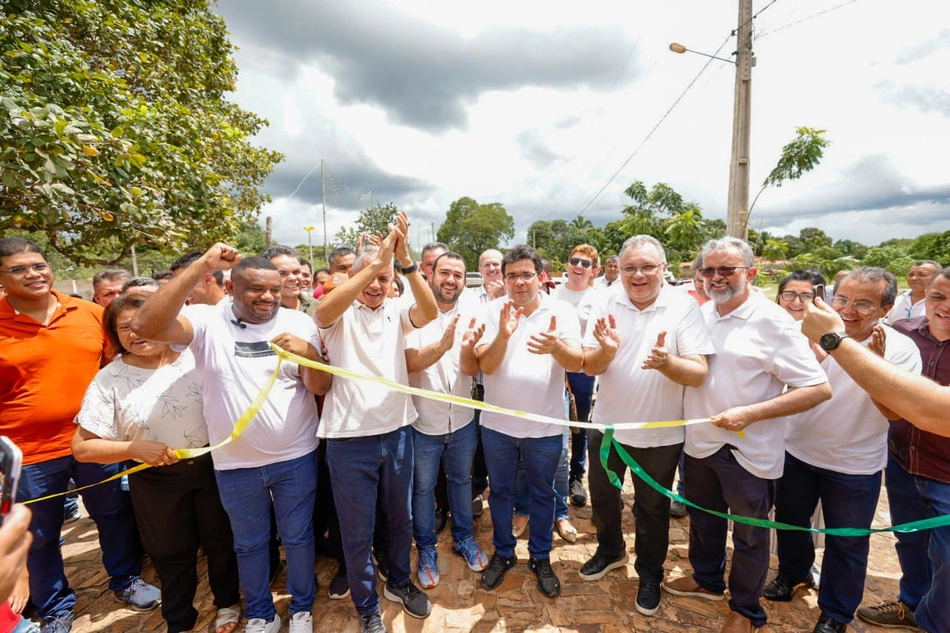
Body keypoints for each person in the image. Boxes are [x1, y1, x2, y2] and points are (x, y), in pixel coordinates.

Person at [131, 245, 330, 633]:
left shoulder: (299, 323)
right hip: (236, 464)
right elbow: (147, 326)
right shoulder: (205, 320)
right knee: (249, 544)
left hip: (296, 456)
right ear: (232, 287)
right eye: (257, 289)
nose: (269, 297)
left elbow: (320, 385)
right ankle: (260, 613)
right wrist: (201, 265)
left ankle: (302, 608)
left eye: (275, 289)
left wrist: (309, 354)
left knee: (299, 537)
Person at [661, 237, 832, 633]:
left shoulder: (773, 322)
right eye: (708, 270)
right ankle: (706, 580)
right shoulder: (701, 315)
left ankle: (746, 609)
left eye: (727, 270)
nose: (716, 278)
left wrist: (750, 414)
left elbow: (817, 388)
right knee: (704, 521)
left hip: (749, 452)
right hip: (700, 444)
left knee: (751, 536)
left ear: (750, 273)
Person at [0, 238, 161, 633]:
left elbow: (117, 366)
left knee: (112, 514)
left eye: (38, 265)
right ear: (1, 278)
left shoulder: (89, 313)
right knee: (39, 532)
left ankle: (125, 578)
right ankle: (55, 605)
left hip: (96, 441)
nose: (33, 274)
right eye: (19, 269)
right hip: (30, 451)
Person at [72, 295, 241, 633]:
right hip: (155, 481)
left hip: (213, 469)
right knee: (171, 553)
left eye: (144, 323)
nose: (136, 334)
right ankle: (179, 620)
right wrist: (133, 448)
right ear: (113, 335)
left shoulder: (195, 359)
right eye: (125, 328)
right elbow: (83, 448)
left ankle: (227, 604)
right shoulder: (109, 380)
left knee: (221, 540)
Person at [767, 268, 921, 633]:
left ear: (886, 309)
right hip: (796, 450)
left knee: (846, 543)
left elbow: (894, 413)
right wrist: (812, 352)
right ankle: (793, 574)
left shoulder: (900, 349)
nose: (849, 310)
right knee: (789, 524)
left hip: (854, 466)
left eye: (863, 303)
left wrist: (876, 369)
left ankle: (836, 612)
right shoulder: (808, 333)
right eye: (842, 299)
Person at [315, 212, 438, 633]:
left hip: (398, 432)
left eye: (384, 280)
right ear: (353, 274)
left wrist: (404, 262)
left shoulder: (397, 310)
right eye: (369, 277)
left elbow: (430, 310)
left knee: (399, 518)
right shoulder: (337, 313)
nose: (375, 286)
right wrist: (373, 262)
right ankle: (367, 606)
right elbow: (324, 310)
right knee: (356, 528)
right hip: (349, 440)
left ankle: (399, 583)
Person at [580, 235, 713, 616]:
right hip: (606, 429)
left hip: (660, 435)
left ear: (664, 269)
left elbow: (699, 372)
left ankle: (650, 573)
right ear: (618, 270)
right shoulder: (606, 301)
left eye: (647, 267)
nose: (639, 275)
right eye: (630, 268)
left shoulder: (684, 307)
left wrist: (666, 362)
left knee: (652, 507)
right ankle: (610, 551)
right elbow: (591, 366)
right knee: (603, 499)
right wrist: (605, 351)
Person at [463, 244, 583, 599]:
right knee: (499, 493)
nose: (518, 282)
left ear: (540, 276)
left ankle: (541, 556)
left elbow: (576, 363)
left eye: (526, 274)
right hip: (497, 427)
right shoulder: (490, 311)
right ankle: (503, 553)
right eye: (511, 275)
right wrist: (504, 332)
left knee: (544, 493)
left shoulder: (561, 311)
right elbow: (485, 366)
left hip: (545, 426)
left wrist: (555, 347)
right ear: (503, 277)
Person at [850, 266, 950, 633]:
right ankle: (911, 604)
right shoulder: (900, 334)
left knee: (948, 557)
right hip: (904, 462)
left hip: (946, 471)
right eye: (937, 296)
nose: (945, 306)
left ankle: (935, 622)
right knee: (910, 539)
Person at [405, 251, 488, 590]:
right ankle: (426, 550)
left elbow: (475, 366)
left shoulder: (474, 313)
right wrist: (442, 346)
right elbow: (410, 362)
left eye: (458, 274)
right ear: (430, 274)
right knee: (423, 490)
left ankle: (464, 538)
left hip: (464, 420)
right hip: (424, 422)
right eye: (445, 273)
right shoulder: (412, 313)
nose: (451, 280)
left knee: (460, 482)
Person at [553, 244, 601, 512]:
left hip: (583, 371)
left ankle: (576, 478)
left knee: (579, 425)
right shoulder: (552, 293)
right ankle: (553, 475)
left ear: (594, 271)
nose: (578, 267)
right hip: (554, 367)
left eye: (585, 263)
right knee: (553, 423)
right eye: (574, 261)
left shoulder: (599, 299)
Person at [261, 245, 316, 317]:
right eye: (282, 273)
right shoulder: (260, 312)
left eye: (296, 272)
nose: (292, 278)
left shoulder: (316, 306)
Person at [884, 260, 940, 325]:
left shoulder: (941, 304)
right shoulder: (897, 300)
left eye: (922, 275)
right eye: (911, 274)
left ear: (937, 278)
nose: (914, 278)